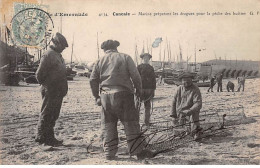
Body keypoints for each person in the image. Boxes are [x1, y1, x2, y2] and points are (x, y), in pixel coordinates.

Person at [90, 40, 155, 160]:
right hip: (124, 95)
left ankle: (109, 153)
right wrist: (139, 91)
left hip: (106, 97)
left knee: (108, 125)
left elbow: (93, 80)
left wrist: (96, 97)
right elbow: (136, 76)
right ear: (116, 48)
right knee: (130, 123)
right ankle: (137, 151)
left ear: (105, 50)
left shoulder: (99, 61)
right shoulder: (125, 57)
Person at [35, 32, 69, 146]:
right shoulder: (48, 54)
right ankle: (41, 137)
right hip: (51, 89)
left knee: (54, 114)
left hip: (58, 91)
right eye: (62, 46)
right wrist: (47, 85)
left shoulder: (58, 55)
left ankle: (49, 137)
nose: (64, 48)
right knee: (47, 113)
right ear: (56, 43)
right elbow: (39, 75)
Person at [170, 72, 202, 140]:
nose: (186, 82)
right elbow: (173, 102)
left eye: (188, 80)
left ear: (191, 80)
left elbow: (198, 103)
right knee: (174, 121)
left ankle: (195, 132)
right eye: (184, 80)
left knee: (194, 116)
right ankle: (178, 133)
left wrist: (190, 110)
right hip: (180, 112)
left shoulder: (195, 89)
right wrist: (173, 115)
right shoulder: (179, 88)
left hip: (190, 111)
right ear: (181, 81)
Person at [136, 53, 156, 128]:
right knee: (137, 106)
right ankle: (135, 122)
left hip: (149, 89)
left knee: (147, 107)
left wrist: (153, 90)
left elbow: (154, 79)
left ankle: (146, 122)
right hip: (140, 89)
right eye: (145, 58)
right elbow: (135, 78)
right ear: (142, 59)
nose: (146, 59)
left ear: (149, 59)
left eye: (147, 58)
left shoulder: (151, 68)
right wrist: (136, 88)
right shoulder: (138, 67)